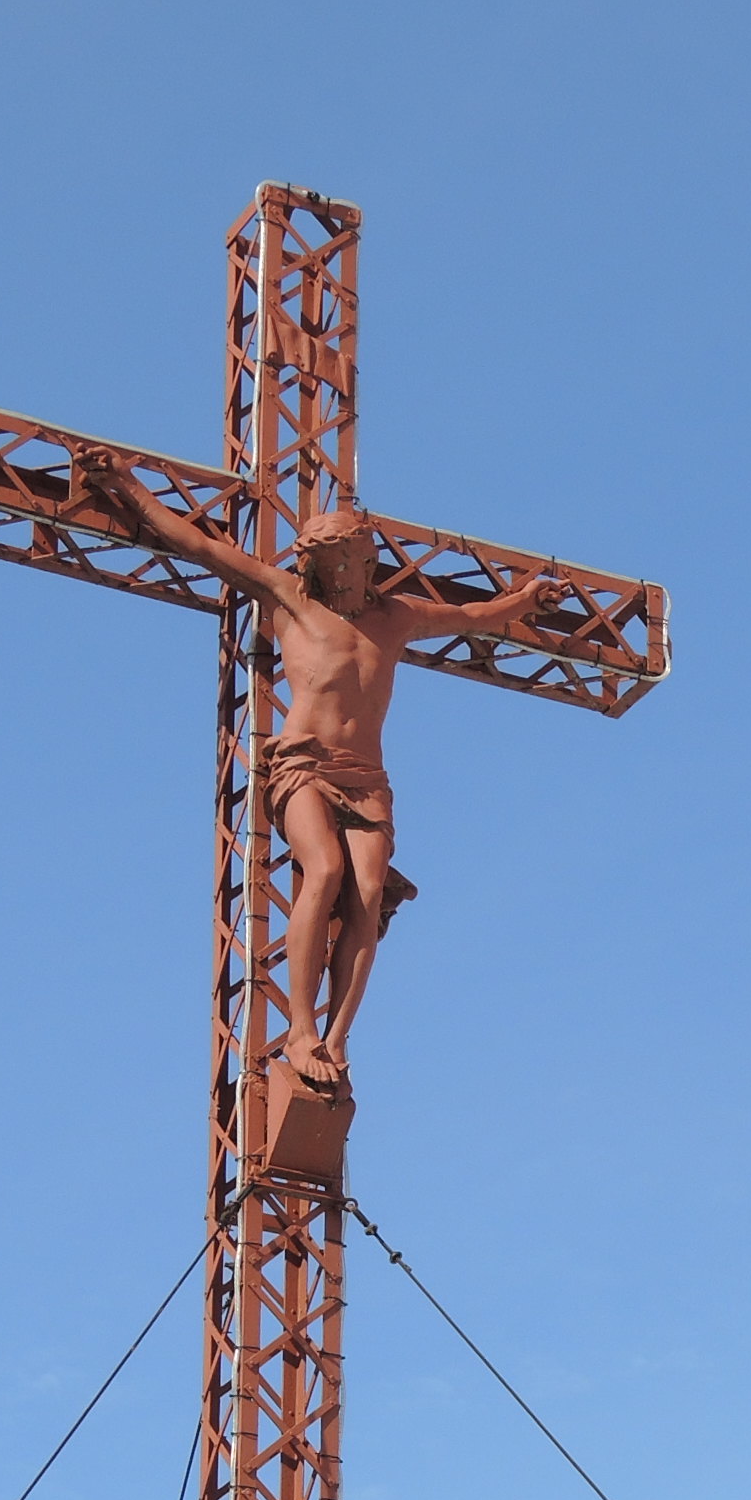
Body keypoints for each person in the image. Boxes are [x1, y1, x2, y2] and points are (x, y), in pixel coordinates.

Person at [86, 465, 573, 1093]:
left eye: (360, 560)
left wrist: (527, 601)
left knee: (368, 895)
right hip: (304, 765)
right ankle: (300, 1029)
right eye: (342, 562)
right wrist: (124, 484)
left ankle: (336, 1037)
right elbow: (198, 545)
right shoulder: (290, 602)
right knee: (325, 870)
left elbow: (474, 616)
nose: (354, 573)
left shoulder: (395, 617)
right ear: (319, 565)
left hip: (368, 777)